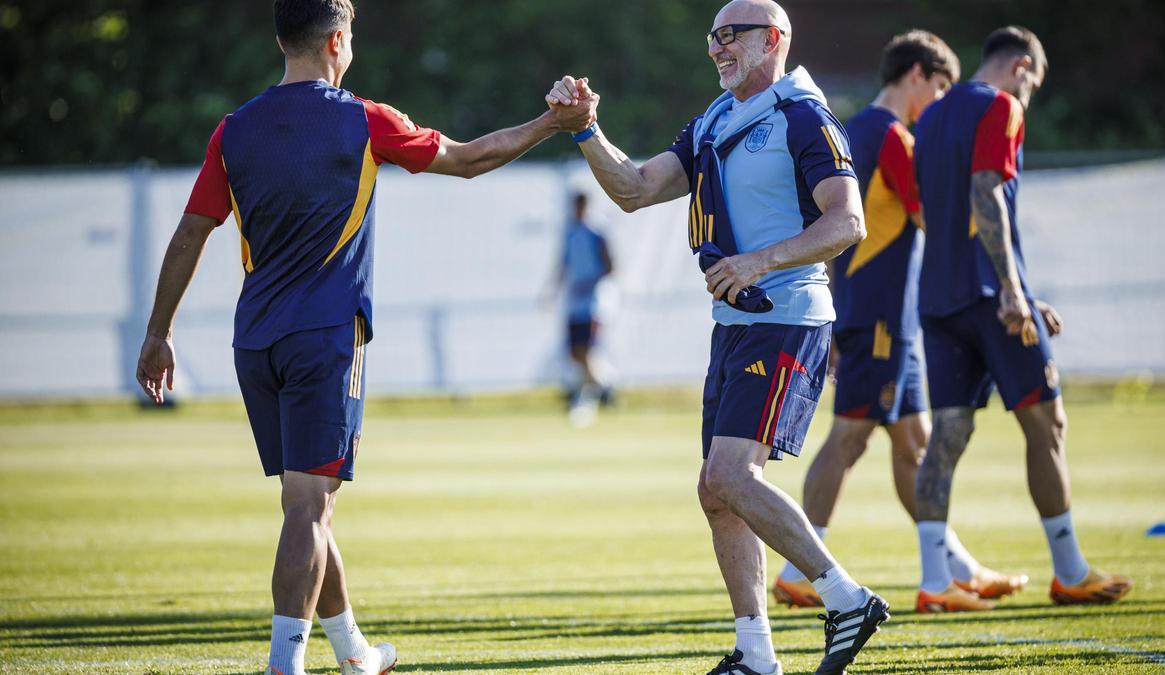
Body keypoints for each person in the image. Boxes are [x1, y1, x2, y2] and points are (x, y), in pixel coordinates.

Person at [133, 1, 595, 673]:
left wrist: (158, 333)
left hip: (255, 342)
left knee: (305, 504)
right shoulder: (363, 118)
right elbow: (469, 159)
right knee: (309, 510)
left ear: (281, 41)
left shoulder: (232, 130)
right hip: (325, 338)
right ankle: (284, 664)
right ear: (337, 41)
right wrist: (554, 122)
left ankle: (354, 652)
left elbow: (189, 233)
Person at [547, 1, 887, 672]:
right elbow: (634, 189)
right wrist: (585, 128)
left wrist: (760, 261)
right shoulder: (714, 120)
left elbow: (847, 222)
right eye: (713, 36)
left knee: (731, 474)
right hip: (735, 324)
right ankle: (755, 654)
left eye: (731, 35)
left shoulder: (804, 116)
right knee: (716, 488)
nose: (716, 47)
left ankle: (846, 598)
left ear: (774, 39)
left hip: (787, 316)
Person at [773, 31, 1027, 610]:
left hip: (878, 312)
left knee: (915, 445)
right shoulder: (893, 137)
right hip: (883, 315)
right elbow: (932, 216)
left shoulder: (852, 129)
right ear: (916, 75)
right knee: (849, 437)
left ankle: (954, 567)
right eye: (939, 88)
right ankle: (797, 569)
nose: (939, 103)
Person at [911, 25, 1131, 612]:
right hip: (992, 300)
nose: (1030, 94)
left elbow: (929, 210)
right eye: (1034, 82)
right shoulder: (1003, 107)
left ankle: (934, 581)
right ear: (1022, 67)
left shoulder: (928, 118)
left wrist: (1022, 290)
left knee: (947, 436)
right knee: (1047, 423)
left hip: (938, 299)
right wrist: (1013, 290)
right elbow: (986, 194)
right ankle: (1070, 571)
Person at [548, 192, 614, 416]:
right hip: (574, 303)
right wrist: (553, 291)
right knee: (574, 352)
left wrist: (589, 283)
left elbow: (610, 266)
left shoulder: (596, 232)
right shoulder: (570, 232)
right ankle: (604, 388)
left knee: (587, 351)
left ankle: (587, 395)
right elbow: (563, 264)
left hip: (592, 303)